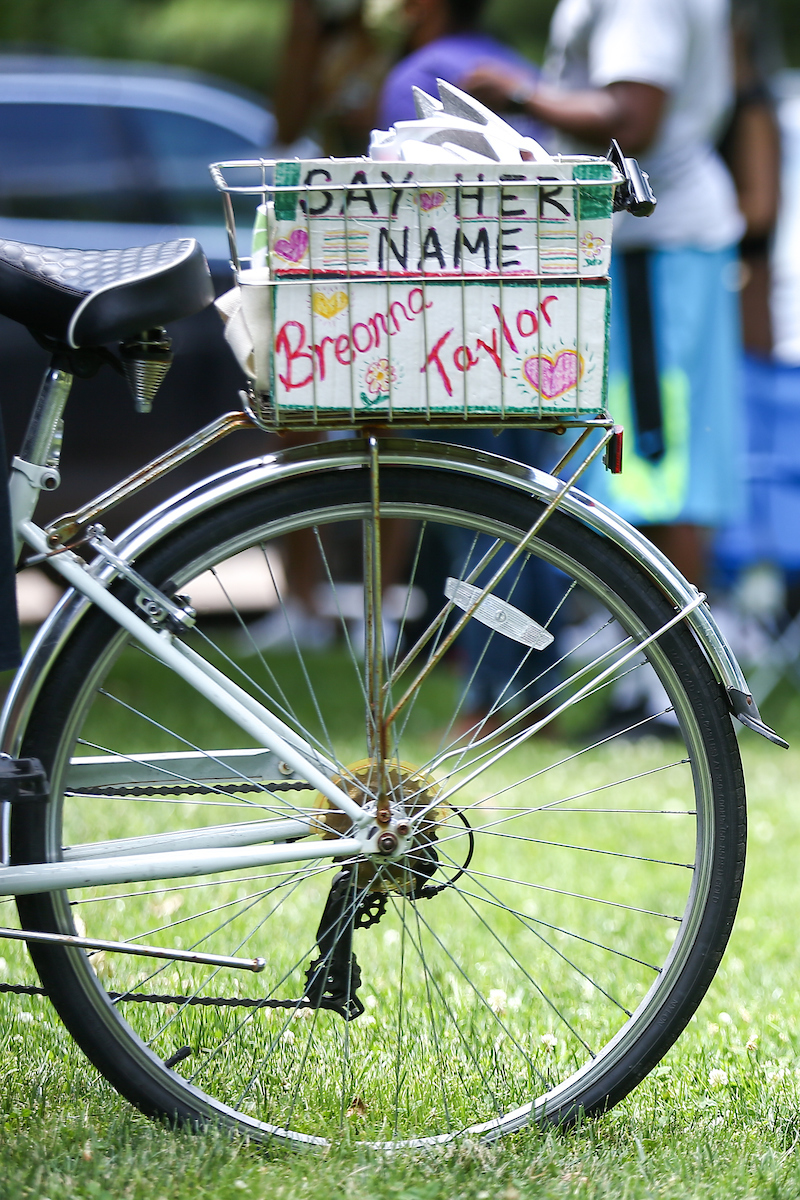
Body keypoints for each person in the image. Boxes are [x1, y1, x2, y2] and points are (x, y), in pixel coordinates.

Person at [462, 0, 746, 593]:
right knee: (648, 464)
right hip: (662, 245)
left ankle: (669, 675)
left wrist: (516, 95)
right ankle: (661, 671)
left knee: (652, 466)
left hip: (654, 245)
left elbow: (633, 119)